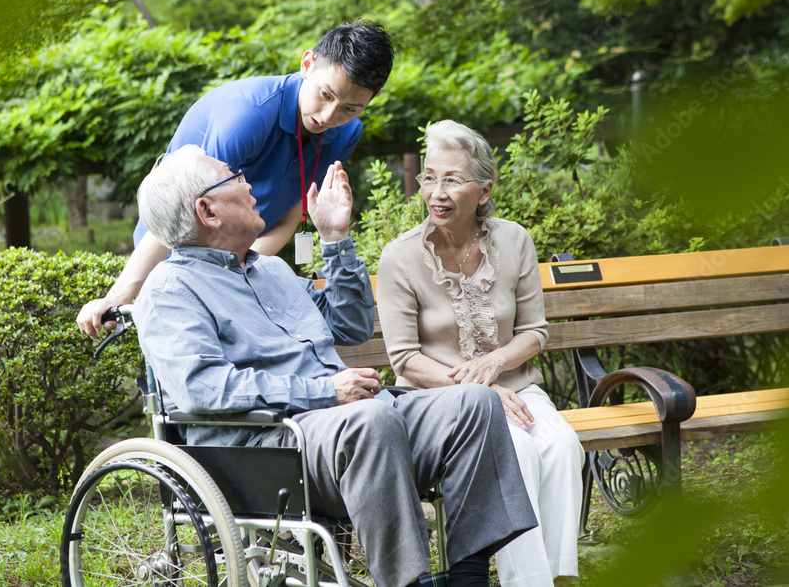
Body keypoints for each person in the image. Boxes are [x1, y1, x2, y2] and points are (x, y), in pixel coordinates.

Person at [128, 144, 538, 587]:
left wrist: (335, 240)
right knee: (371, 418)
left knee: (473, 404)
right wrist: (326, 392)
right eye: (235, 178)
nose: (249, 184)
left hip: (343, 428)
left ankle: (467, 578)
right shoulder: (170, 290)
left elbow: (352, 323)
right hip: (263, 450)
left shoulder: (272, 271)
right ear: (207, 210)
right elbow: (202, 389)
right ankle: (407, 582)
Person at [77, 20, 394, 339]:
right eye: (325, 94)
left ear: (372, 98)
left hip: (240, 263)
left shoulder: (345, 133)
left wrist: (240, 274)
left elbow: (288, 217)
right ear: (307, 64)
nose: (328, 117)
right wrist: (119, 296)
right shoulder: (247, 116)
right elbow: (181, 214)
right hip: (174, 258)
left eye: (350, 108)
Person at [376, 120, 585, 587]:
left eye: (452, 179)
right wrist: (478, 386)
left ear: (485, 189)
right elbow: (405, 359)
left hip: (516, 388)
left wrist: (495, 364)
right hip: (443, 401)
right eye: (429, 177)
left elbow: (534, 332)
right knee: (520, 455)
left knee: (562, 446)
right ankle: (527, 582)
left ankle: (559, 577)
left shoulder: (515, 241)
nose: (436, 191)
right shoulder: (399, 257)